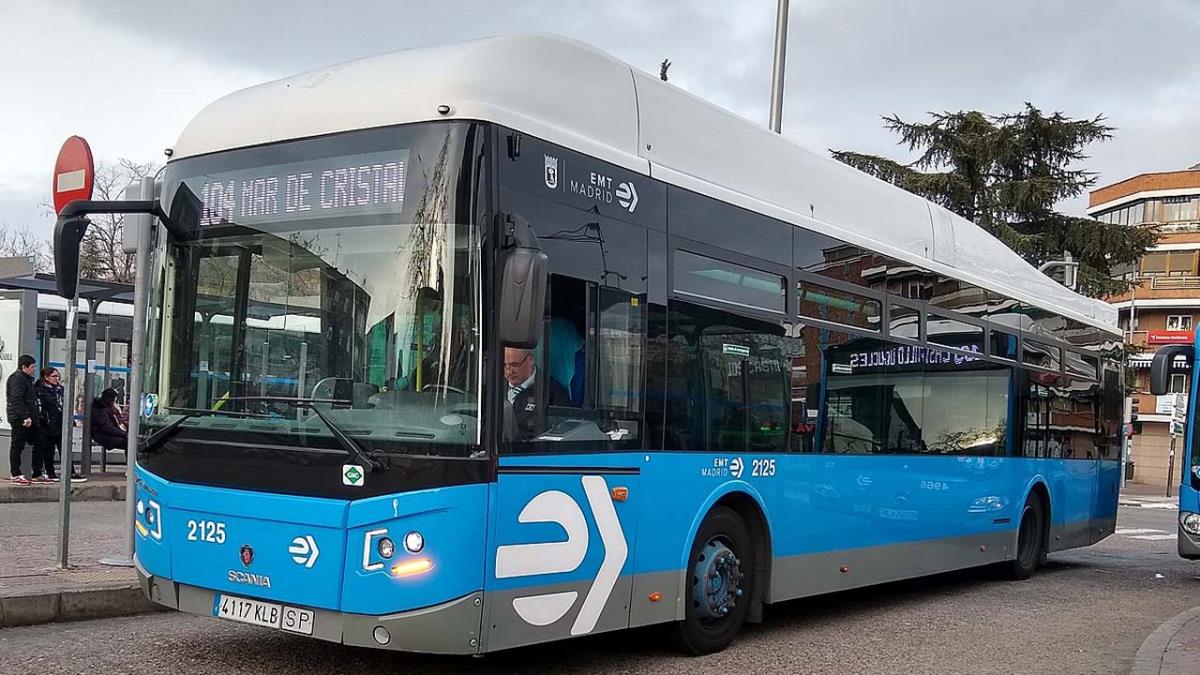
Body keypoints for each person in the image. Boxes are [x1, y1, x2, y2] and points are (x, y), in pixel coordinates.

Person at [503, 347, 568, 441]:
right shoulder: (493, 386)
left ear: (530, 360)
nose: (509, 371)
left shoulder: (553, 392)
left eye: (515, 365)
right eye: (504, 365)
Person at [34, 368, 85, 483]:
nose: (57, 379)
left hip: (60, 423)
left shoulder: (60, 390)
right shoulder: (39, 390)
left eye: (58, 376)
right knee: (48, 450)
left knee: (65, 449)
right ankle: (50, 472)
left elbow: (64, 407)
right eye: (54, 376)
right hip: (47, 424)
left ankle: (70, 472)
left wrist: (70, 420)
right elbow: (41, 407)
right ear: (46, 377)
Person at [7, 355, 39, 485]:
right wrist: (24, 417)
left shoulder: (26, 380)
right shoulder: (18, 379)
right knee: (17, 444)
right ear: (24, 367)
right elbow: (17, 399)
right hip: (20, 418)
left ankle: (37, 472)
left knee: (38, 442)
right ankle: (15, 473)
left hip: (29, 417)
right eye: (32, 367)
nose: (34, 369)